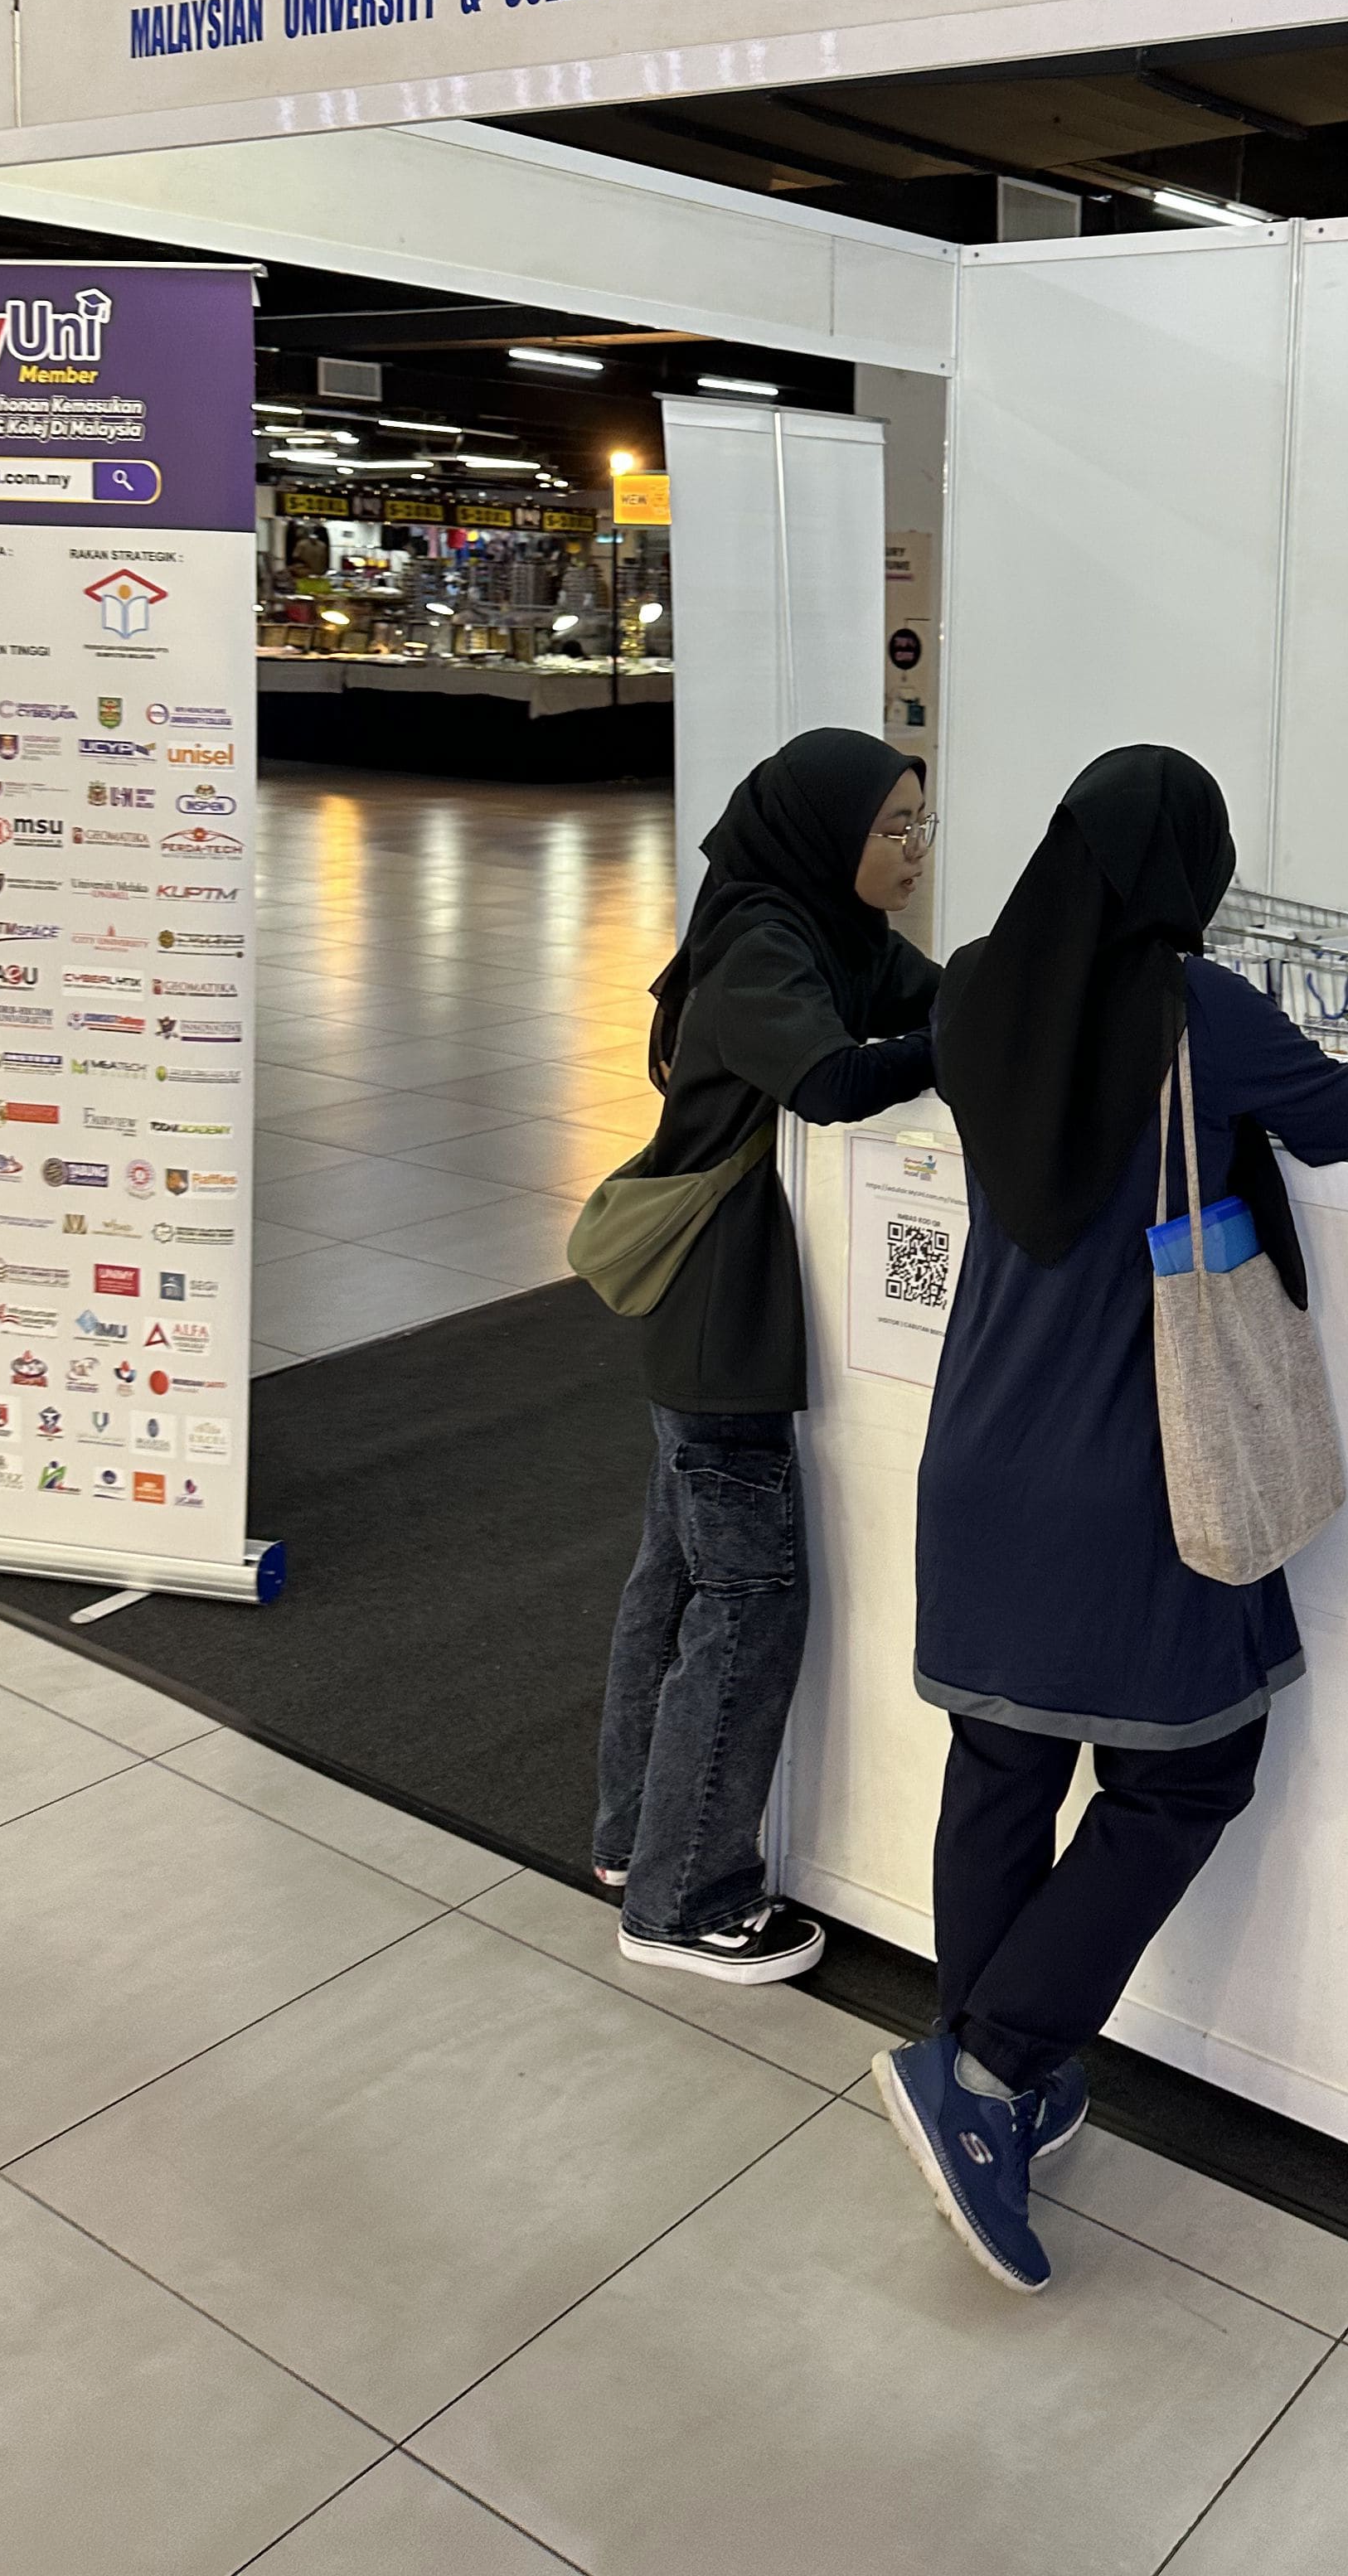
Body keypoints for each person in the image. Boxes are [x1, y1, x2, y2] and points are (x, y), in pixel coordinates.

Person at [870, 746, 1348, 2290]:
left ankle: (987, 2075)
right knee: (1190, 1773)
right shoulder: (1196, 1015)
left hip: (980, 1452)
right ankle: (987, 2074)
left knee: (1001, 1767)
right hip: (1136, 1478)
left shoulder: (977, 986)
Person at [591, 728, 938, 1985]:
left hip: (720, 1315)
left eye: (921, 825)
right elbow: (832, 1081)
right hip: (721, 1320)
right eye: (893, 828)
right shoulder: (759, 945)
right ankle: (687, 1897)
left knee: (680, 1581)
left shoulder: (829, 930)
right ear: (824, 834)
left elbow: (928, 998)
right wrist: (962, 1042)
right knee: (747, 1597)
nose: (913, 849)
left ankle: (634, 1843)